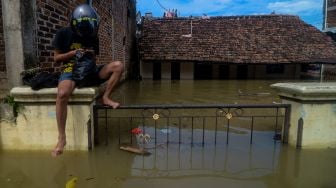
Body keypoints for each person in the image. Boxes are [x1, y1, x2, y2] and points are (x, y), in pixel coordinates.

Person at [51, 4, 123, 156]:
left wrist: (88, 54)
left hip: (89, 70)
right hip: (70, 69)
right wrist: (73, 53)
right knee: (63, 93)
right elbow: (56, 58)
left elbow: (93, 58)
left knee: (118, 66)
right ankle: (62, 138)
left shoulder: (93, 35)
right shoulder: (63, 33)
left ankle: (105, 97)